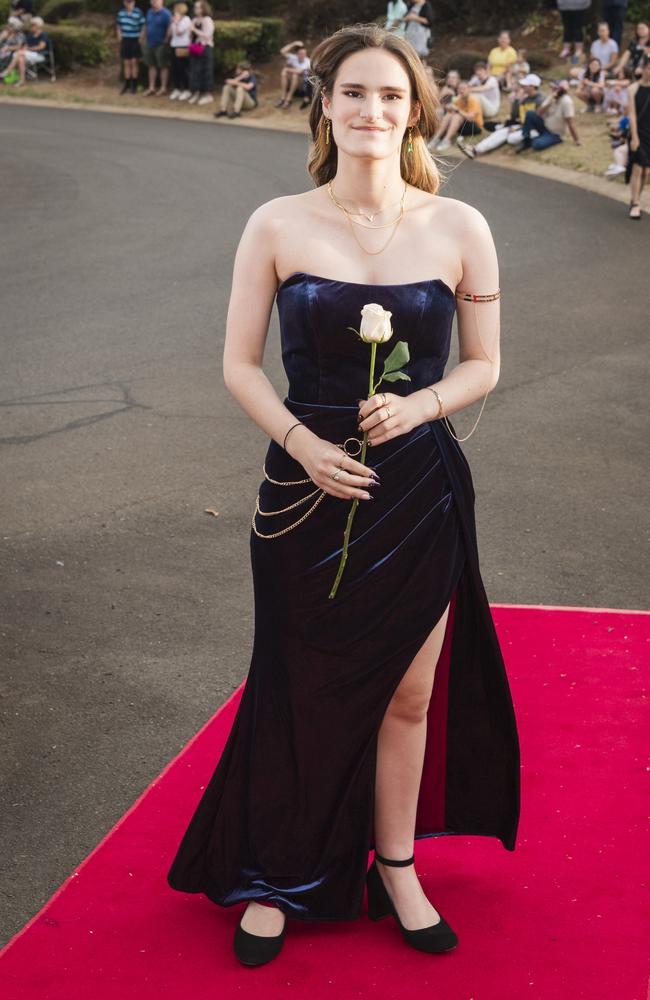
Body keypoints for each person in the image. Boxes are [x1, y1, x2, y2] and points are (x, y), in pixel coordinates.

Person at [166, 21, 520, 967]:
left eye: (392, 97)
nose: (373, 110)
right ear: (327, 104)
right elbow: (239, 366)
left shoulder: (460, 228)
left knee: (409, 696)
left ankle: (395, 865)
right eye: (355, 93)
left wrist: (423, 406)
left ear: (415, 115)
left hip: (418, 488)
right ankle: (276, 870)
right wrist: (300, 442)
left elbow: (487, 364)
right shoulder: (277, 222)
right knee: (294, 677)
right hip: (305, 483)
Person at [457, 74, 544, 158]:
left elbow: (538, 121)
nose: (522, 87)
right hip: (523, 126)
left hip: (535, 129)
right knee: (501, 132)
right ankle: (475, 150)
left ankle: (524, 143)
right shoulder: (526, 99)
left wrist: (519, 128)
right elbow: (514, 116)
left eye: (525, 85)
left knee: (511, 138)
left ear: (532, 86)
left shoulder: (541, 100)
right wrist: (517, 100)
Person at [517, 78, 581, 151]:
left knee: (537, 145)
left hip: (555, 133)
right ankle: (526, 139)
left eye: (555, 88)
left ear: (561, 90)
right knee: (530, 113)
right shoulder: (551, 97)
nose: (552, 90)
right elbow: (538, 113)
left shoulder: (567, 102)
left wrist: (577, 140)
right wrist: (549, 103)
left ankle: (546, 139)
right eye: (552, 88)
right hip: (544, 126)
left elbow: (570, 123)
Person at [627, 52, 650, 218]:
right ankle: (635, 203)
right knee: (637, 168)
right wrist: (634, 137)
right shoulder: (632, 89)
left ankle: (637, 197)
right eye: (649, 68)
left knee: (646, 172)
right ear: (643, 68)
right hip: (638, 132)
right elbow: (632, 115)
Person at [430, 79, 483, 151]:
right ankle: (436, 138)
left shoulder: (473, 100)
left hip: (475, 126)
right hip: (462, 125)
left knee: (457, 115)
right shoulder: (459, 99)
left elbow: (471, 118)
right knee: (450, 114)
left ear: (469, 90)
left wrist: (457, 110)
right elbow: (452, 111)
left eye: (464, 88)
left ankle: (447, 140)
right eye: (459, 89)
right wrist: (448, 107)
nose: (461, 91)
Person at [0, 14, 48, 87]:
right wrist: (25, 48)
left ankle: (8, 71)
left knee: (19, 53)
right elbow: (26, 45)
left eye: (32, 25)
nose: (31, 27)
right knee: (21, 59)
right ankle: (22, 80)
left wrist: (28, 49)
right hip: (27, 54)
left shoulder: (43, 35)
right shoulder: (30, 35)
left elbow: (41, 47)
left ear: (38, 26)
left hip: (38, 54)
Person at [142, 0, 171, 96]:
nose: (154, 1)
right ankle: (152, 87)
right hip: (150, 43)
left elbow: (169, 27)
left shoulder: (166, 14)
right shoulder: (149, 12)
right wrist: (144, 37)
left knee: (163, 66)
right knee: (151, 65)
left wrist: (166, 40)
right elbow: (146, 25)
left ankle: (163, 88)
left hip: (161, 44)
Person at [187, 0, 214, 105]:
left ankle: (207, 94)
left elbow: (207, 35)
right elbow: (191, 35)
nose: (196, 9)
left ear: (203, 8)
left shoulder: (207, 20)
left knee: (206, 70)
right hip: (195, 48)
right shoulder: (194, 20)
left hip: (205, 47)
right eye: (195, 7)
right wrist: (190, 33)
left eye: (198, 7)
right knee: (195, 70)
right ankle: (196, 92)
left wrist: (194, 30)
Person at [116, 0, 145, 95]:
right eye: (127, 2)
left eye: (131, 2)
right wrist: (119, 34)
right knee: (126, 62)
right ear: (124, 3)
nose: (129, 4)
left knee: (134, 62)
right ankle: (127, 83)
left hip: (135, 39)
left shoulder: (138, 12)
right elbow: (118, 25)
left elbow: (143, 25)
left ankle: (134, 84)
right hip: (125, 39)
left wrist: (141, 37)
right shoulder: (121, 13)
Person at [277, 39, 311, 109]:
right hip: (292, 82)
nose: (303, 55)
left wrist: (287, 69)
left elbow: (300, 71)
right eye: (300, 54)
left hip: (303, 85)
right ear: (297, 54)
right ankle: (283, 97)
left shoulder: (308, 61)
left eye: (304, 54)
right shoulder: (294, 58)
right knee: (284, 73)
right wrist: (294, 43)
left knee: (294, 75)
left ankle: (289, 98)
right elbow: (282, 51)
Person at [168, 1, 191, 100]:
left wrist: (176, 22)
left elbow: (178, 32)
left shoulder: (186, 20)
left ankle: (186, 89)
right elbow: (170, 33)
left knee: (183, 69)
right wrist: (172, 23)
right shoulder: (174, 20)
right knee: (175, 69)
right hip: (174, 45)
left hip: (183, 46)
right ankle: (177, 88)